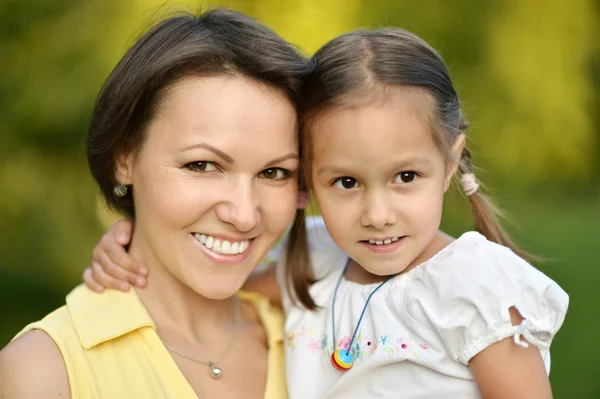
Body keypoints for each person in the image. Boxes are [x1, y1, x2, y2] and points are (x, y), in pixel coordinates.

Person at [82, 28, 569, 398]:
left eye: (405, 178)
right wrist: (131, 246)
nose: (377, 215)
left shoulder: (474, 289)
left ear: (448, 163)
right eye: (347, 183)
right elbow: (217, 274)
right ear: (307, 182)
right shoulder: (315, 259)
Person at [0, 8, 313, 399]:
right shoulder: (44, 371)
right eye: (202, 165)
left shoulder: (321, 335)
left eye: (274, 173)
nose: (244, 214)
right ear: (124, 157)